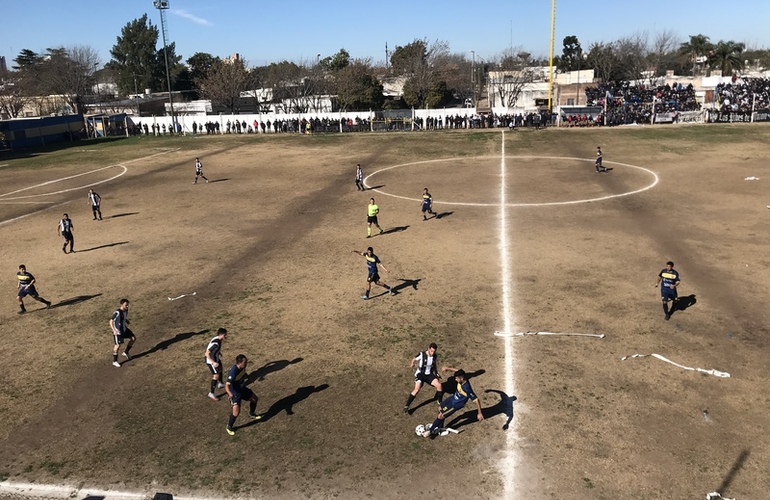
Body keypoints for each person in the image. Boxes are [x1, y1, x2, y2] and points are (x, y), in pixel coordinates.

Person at [422, 368, 483, 437]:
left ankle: (430, 431)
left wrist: (479, 413)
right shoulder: (462, 378)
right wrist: (447, 368)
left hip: (455, 404)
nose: (455, 380)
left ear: (461, 378)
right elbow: (457, 370)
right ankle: (440, 427)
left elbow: (476, 400)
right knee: (440, 408)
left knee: (441, 415)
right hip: (452, 398)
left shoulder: (467, 388)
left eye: (457, 378)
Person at [225, 354, 261, 435]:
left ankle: (252, 413)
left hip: (241, 388)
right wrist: (230, 394)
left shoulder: (242, 367)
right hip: (235, 392)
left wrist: (249, 377)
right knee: (236, 412)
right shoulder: (233, 372)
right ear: (239, 362)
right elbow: (226, 385)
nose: (246, 363)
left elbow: (244, 373)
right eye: (245, 362)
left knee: (255, 399)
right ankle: (229, 426)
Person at [403, 343, 444, 413]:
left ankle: (439, 400)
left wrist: (436, 373)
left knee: (439, 385)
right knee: (417, 389)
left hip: (429, 375)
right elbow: (414, 359)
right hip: (420, 374)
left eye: (434, 351)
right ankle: (407, 406)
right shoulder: (422, 354)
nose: (432, 353)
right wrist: (412, 363)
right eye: (431, 351)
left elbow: (434, 365)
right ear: (428, 348)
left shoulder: (435, 356)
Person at [109, 298, 136, 367]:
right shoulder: (117, 312)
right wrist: (114, 330)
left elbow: (123, 317)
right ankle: (115, 361)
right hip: (118, 332)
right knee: (118, 345)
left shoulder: (126, 311)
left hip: (124, 329)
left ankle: (126, 352)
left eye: (127, 305)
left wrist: (126, 320)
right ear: (121, 305)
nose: (127, 306)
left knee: (133, 338)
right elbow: (111, 321)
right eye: (126, 305)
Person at [205, 328, 228, 400]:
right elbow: (206, 353)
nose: (226, 336)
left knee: (220, 368)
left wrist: (219, 352)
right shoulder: (216, 343)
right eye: (225, 335)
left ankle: (220, 384)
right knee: (216, 375)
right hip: (210, 361)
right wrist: (213, 362)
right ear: (222, 334)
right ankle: (211, 393)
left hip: (216, 358)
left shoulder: (218, 339)